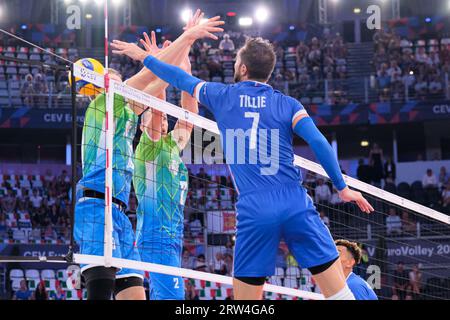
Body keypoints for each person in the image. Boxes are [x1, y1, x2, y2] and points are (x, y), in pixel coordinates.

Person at [112, 29, 374, 300]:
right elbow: (319, 142)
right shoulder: (287, 104)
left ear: (243, 67)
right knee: (339, 295)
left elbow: (179, 79)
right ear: (268, 73)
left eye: (236, 61)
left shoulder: (223, 95)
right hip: (295, 201)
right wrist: (342, 187)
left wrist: (145, 57)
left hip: (255, 208)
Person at [74, 10, 221, 301]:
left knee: (134, 291)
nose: (124, 80)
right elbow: (154, 79)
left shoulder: (123, 112)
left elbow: (161, 89)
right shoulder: (105, 102)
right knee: (102, 288)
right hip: (96, 206)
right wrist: (184, 40)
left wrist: (177, 53)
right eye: (117, 77)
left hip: (119, 213)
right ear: (103, 83)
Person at [133, 61, 198, 299]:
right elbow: (158, 106)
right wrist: (163, 62)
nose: (161, 118)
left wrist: (186, 66)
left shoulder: (171, 146)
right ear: (142, 125)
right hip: (155, 235)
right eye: (151, 117)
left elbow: (190, 114)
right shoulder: (147, 147)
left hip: (172, 234)